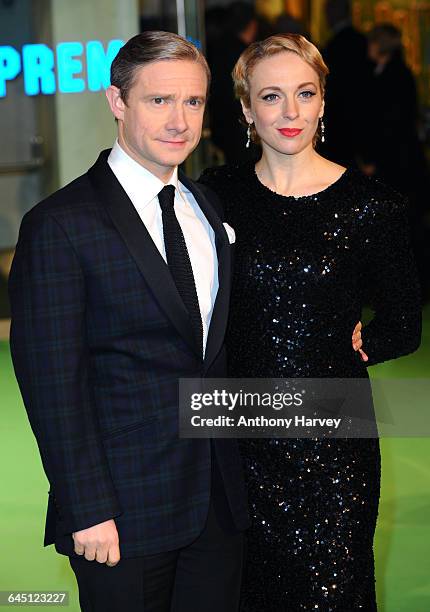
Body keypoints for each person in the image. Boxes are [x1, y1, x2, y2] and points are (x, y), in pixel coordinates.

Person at [8, 31, 249, 612]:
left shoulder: (208, 210)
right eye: (158, 100)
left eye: (192, 102)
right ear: (118, 102)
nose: (179, 121)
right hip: (122, 511)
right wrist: (86, 507)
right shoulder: (60, 225)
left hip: (218, 504)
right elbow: (52, 386)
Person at [199, 33, 421, 610]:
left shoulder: (372, 207)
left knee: (332, 592)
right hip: (241, 439)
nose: (291, 112)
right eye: (272, 97)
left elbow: (404, 322)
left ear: (324, 101)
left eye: (305, 93)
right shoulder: (214, 197)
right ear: (247, 110)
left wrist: (367, 339)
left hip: (335, 448)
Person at [321, 0, 373, 167]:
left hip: (341, 118)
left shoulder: (336, 44)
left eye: (328, 11)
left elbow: (333, 84)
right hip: (360, 114)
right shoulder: (361, 40)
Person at [207, 1, 259, 164]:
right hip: (239, 125)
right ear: (252, 25)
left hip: (219, 120)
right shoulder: (248, 56)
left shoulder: (215, 48)